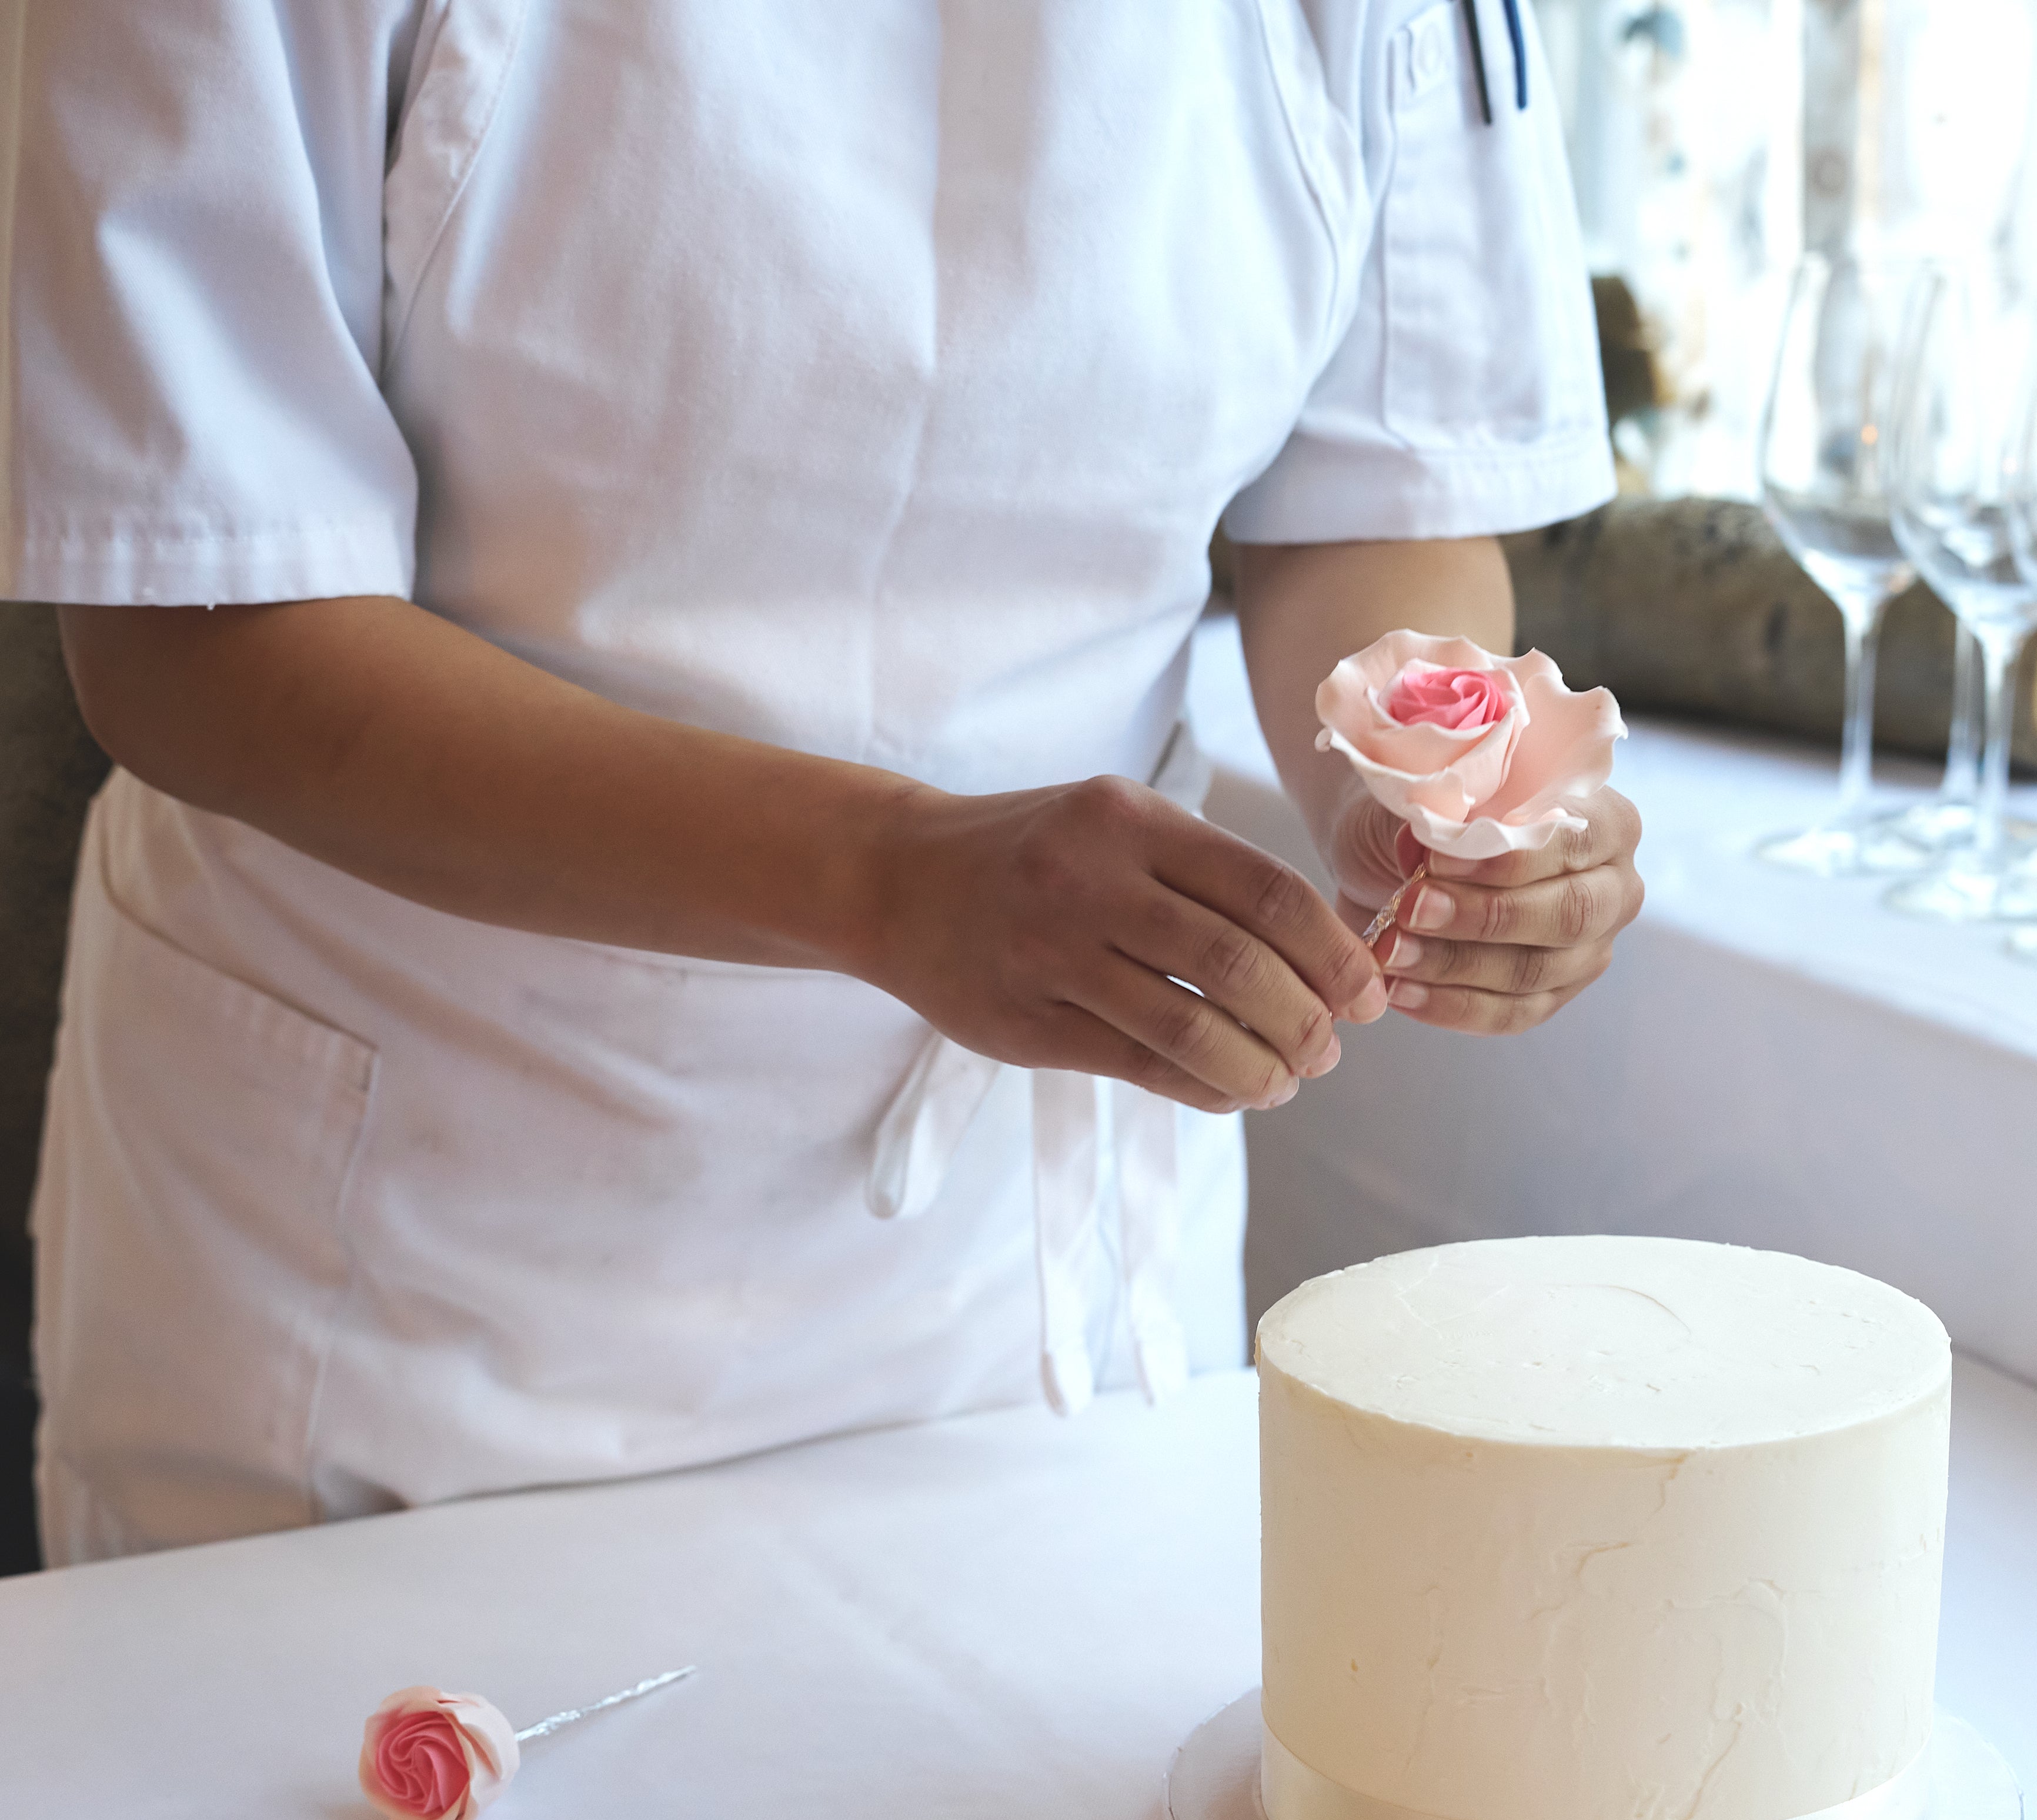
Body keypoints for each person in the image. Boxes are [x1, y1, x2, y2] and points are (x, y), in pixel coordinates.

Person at [4, 1, 1642, 1564]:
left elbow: (1372, 492)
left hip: (1030, 1299)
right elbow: (196, 635)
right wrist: (890, 879)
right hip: (410, 1279)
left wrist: (1437, 784)